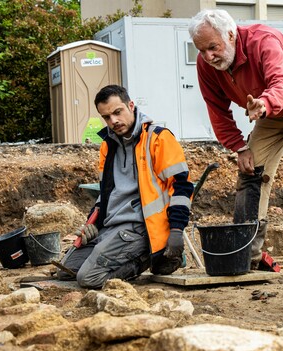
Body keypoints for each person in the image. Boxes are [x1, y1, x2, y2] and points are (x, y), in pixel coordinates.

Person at [188, 9, 283, 283]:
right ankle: (248, 253)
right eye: (202, 50)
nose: (209, 57)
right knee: (250, 173)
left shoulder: (263, 41)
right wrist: (238, 146)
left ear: (231, 35)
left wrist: (266, 103)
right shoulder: (206, 65)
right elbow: (216, 108)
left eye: (213, 47)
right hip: (270, 109)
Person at [57, 85, 193, 289]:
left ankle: (148, 258)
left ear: (131, 105)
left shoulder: (158, 138)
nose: (113, 121)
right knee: (66, 271)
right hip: (111, 227)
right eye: (107, 117)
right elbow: (105, 194)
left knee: (87, 279)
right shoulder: (107, 146)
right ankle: (124, 253)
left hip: (139, 228)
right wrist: (92, 224)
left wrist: (176, 230)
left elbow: (182, 186)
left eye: (117, 112)